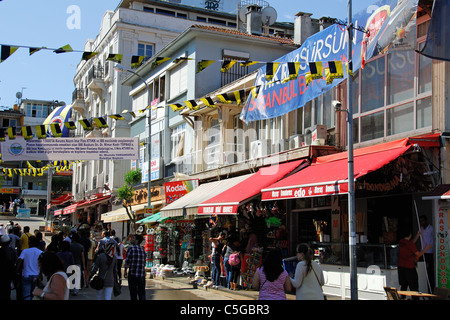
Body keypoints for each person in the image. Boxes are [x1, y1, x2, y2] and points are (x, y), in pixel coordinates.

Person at [398, 228, 431, 296]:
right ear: (410, 235)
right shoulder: (410, 244)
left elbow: (411, 242)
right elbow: (418, 254)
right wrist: (426, 248)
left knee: (403, 286)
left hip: (401, 267)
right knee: (414, 287)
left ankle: (403, 298)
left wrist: (417, 235)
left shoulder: (401, 242)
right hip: (409, 268)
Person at [15, 235, 43, 300]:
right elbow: (42, 264)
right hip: (36, 275)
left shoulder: (25, 251)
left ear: (30, 243)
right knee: (35, 294)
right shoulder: (40, 252)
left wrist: (16, 270)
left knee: (26, 294)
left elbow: (19, 261)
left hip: (26, 275)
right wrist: (40, 273)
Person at [124, 234, 146, 300]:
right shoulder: (143, 250)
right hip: (141, 275)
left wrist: (125, 271)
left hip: (132, 274)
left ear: (136, 240)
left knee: (133, 294)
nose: (131, 239)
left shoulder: (131, 248)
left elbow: (127, 261)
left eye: (133, 238)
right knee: (142, 293)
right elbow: (144, 263)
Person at [417, 215, 434, 290]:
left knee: (429, 271)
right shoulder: (421, 229)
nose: (421, 222)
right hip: (423, 252)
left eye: (423, 221)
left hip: (429, 251)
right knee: (423, 270)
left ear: (426, 221)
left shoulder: (431, 228)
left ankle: (431, 287)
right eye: (420, 221)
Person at [0, 235, 16, 300]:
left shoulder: (1, 251)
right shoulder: (12, 250)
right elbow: (14, 261)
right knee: (7, 289)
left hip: (2, 273)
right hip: (8, 273)